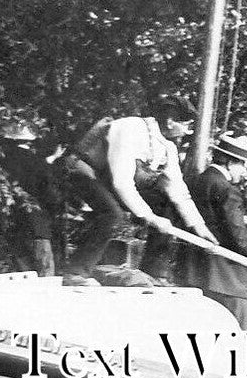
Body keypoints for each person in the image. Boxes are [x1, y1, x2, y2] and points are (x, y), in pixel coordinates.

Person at [61, 115, 214, 285]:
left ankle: (152, 273)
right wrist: (151, 217)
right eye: (186, 124)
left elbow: (178, 191)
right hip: (82, 171)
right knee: (112, 214)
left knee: (166, 204)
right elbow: (122, 183)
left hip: (109, 180)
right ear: (170, 122)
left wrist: (200, 228)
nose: (188, 131)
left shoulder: (168, 147)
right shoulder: (131, 128)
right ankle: (76, 273)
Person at [179, 133, 247, 329]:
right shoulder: (226, 189)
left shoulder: (195, 181)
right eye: (242, 165)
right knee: (244, 336)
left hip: (193, 272)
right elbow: (238, 237)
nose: (244, 172)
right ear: (230, 162)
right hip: (225, 277)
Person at [0, 122, 63, 276]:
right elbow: (49, 192)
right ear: (29, 141)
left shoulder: (2, 159)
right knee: (44, 273)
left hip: (12, 222)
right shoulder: (35, 161)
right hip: (37, 225)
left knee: (22, 274)